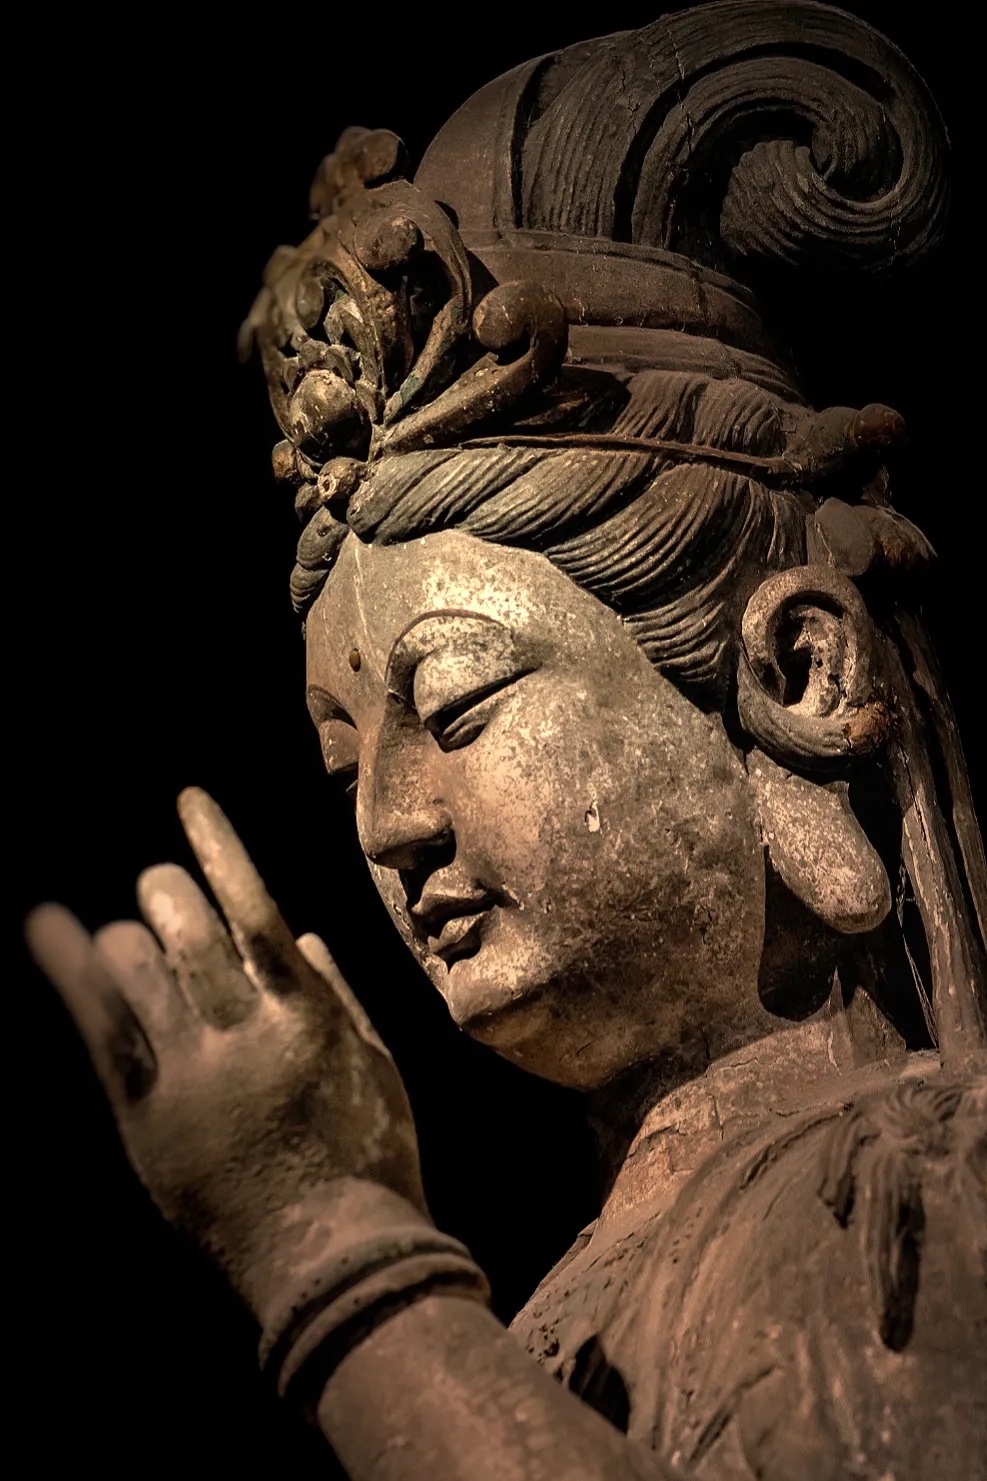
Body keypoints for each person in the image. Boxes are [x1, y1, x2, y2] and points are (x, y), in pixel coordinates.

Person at [27, 5, 985, 1478]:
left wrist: (327, 1241)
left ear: (799, 673)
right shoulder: (549, 1318)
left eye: (461, 704)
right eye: (342, 764)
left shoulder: (925, 1193)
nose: (387, 821)